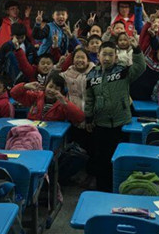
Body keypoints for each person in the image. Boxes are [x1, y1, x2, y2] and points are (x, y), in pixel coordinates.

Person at [85, 38, 146, 191]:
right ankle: (102, 190)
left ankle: (121, 188)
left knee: (120, 158)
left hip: (121, 123)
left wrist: (137, 49)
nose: (107, 58)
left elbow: (140, 67)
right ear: (98, 56)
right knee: (102, 159)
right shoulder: (92, 75)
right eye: (104, 54)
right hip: (101, 123)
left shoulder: (122, 71)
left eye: (110, 55)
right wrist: (88, 118)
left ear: (116, 57)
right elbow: (89, 99)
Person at [10, 73, 85, 123]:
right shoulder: (36, 96)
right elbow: (13, 93)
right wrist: (25, 86)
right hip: (32, 131)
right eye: (50, 86)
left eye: (56, 89)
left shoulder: (63, 103)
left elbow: (80, 118)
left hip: (51, 134)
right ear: (45, 86)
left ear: (61, 92)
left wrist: (66, 103)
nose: (52, 90)